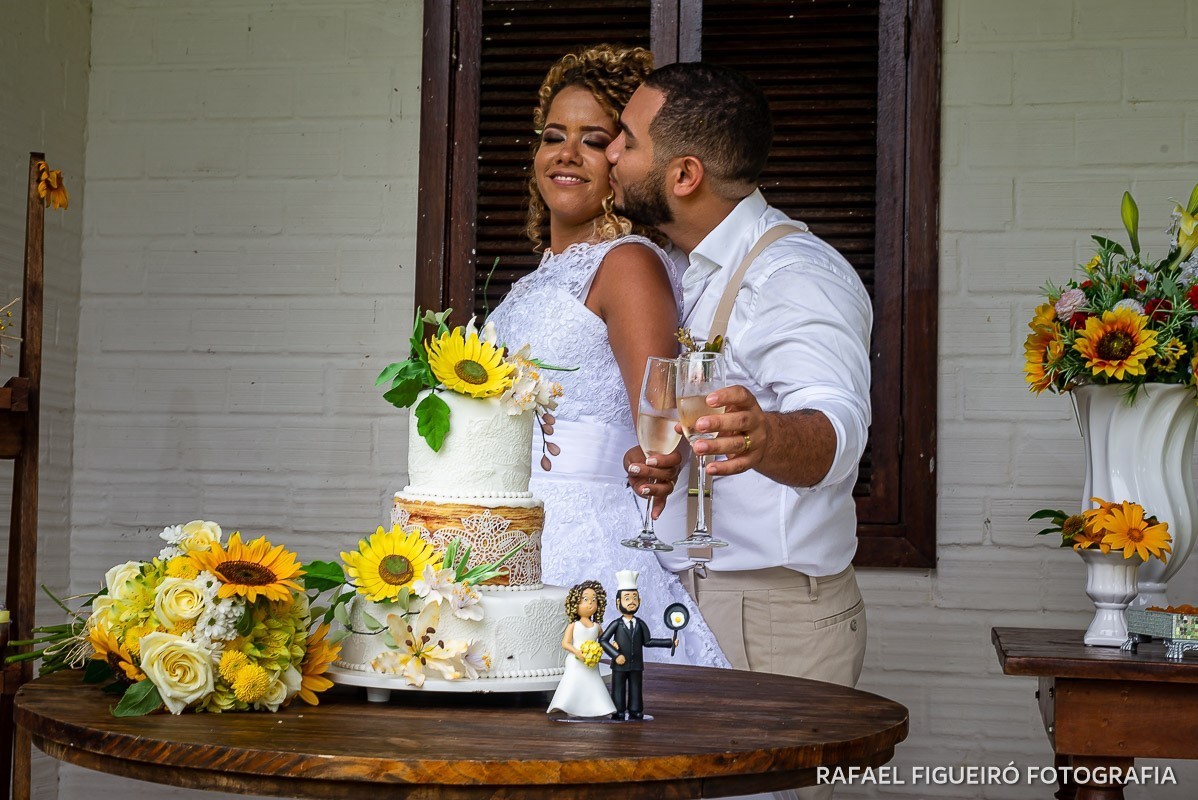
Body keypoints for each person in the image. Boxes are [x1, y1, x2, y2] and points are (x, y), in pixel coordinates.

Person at [609, 58, 871, 731]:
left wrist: (767, 436)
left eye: (628, 140)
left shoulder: (796, 275)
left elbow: (839, 426)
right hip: (687, 597)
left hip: (769, 614)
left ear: (684, 174)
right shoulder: (683, 268)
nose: (610, 152)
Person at [486, 45, 728, 670]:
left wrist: (660, 453)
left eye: (593, 140)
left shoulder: (628, 265)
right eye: (553, 137)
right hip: (509, 534)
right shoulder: (542, 275)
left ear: (620, 160)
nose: (566, 154)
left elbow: (663, 414)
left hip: (582, 543)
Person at [599, 570, 676, 720]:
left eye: (634, 598)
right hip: (619, 665)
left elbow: (648, 642)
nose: (631, 601)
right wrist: (615, 655)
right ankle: (618, 710)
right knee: (618, 689)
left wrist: (669, 642)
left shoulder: (640, 624)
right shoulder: (616, 624)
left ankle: (635, 710)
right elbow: (602, 640)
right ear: (618, 602)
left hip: (636, 665)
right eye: (627, 598)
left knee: (636, 688)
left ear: (639, 601)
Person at [547, 581, 617, 718]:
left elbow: (603, 642)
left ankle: (599, 708)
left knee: (593, 683)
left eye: (594, 600)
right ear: (575, 603)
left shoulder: (597, 627)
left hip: (591, 662)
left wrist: (612, 646)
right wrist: (577, 652)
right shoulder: (574, 625)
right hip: (576, 660)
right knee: (574, 682)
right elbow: (565, 643)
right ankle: (571, 706)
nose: (590, 604)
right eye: (585, 600)